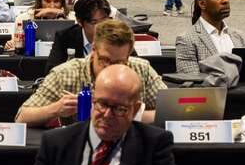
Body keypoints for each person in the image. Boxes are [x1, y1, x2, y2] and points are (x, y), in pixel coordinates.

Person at [24, 64, 179, 165]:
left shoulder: (154, 143)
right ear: (93, 98)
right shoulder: (56, 141)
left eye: (119, 109)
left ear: (135, 108)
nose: (107, 115)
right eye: (102, 104)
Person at [16, 20, 166, 128]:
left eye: (119, 62)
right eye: (105, 60)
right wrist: (56, 108)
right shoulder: (65, 73)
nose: (110, 68)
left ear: (129, 56)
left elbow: (174, 113)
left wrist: (133, 116)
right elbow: (22, 118)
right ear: (93, 49)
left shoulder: (142, 70)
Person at [175, 0, 245, 74]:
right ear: (202, 3)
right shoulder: (187, 40)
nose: (225, 1)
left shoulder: (241, 37)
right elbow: (191, 82)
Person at [45, 0, 112, 72]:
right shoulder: (64, 37)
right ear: (80, 21)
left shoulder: (118, 37)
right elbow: (51, 70)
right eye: (94, 22)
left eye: (104, 20)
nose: (101, 26)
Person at [5, 0, 72, 52]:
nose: (51, 6)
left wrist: (61, 14)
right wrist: (12, 43)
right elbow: (16, 42)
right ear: (40, 1)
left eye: (56, 1)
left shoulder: (72, 18)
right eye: (47, 1)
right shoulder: (23, 18)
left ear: (62, 2)